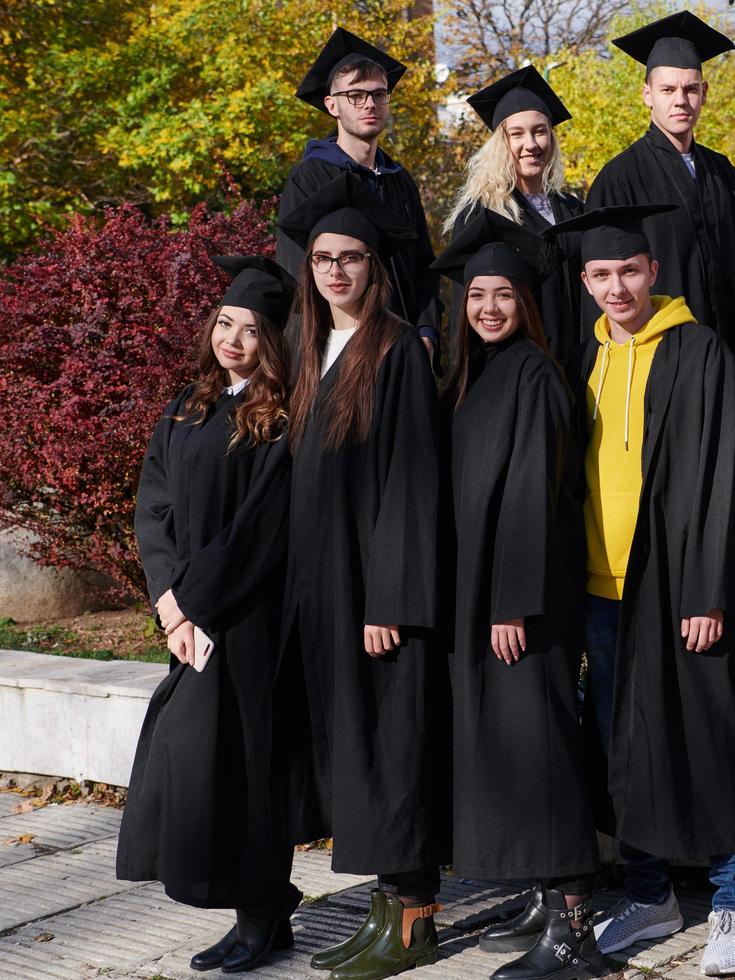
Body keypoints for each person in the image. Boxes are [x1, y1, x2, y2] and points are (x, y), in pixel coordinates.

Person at [544, 205, 735, 977]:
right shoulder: (583, 358)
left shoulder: (698, 351)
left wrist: (707, 590)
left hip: (678, 587)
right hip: (603, 592)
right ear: (586, 280)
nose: (615, 287)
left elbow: (720, 473)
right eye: (600, 275)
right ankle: (650, 892)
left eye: (628, 271)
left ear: (653, 272)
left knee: (707, 734)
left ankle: (733, 899)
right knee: (621, 748)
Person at [274, 173, 446, 980]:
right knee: (355, 751)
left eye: (350, 258)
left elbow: (412, 486)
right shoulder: (311, 348)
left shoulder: (398, 348)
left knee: (390, 748)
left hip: (376, 595)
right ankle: (383, 911)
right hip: (325, 589)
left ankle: (414, 920)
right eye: (322, 259)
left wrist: (393, 598)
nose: (336, 272)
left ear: (376, 267)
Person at [430, 211, 607, 980]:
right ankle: (544, 894)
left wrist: (513, 602)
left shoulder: (533, 372)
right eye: (477, 296)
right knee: (512, 748)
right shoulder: (474, 376)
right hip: (482, 596)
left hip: (522, 599)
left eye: (504, 294)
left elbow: (534, 491)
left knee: (541, 752)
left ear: (526, 302)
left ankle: (575, 930)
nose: (489, 308)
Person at [118, 256, 298, 974]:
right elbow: (151, 505)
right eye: (225, 323)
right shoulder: (190, 403)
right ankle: (257, 909)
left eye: (251, 330)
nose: (233, 339)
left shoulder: (280, 416)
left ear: (272, 341)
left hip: (249, 620)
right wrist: (169, 605)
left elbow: (259, 531)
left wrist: (192, 605)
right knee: (200, 764)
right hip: (189, 619)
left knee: (251, 768)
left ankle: (262, 914)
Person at [585, 11, 735, 348]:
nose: (680, 100)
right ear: (647, 94)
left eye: (690, 89)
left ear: (704, 92)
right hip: (659, 350)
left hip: (729, 345)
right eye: (668, 89)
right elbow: (604, 285)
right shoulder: (619, 178)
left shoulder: (722, 171)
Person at [278, 28, 441, 362]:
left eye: (379, 95)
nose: (369, 103)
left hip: (402, 345)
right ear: (332, 105)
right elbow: (298, 269)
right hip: (337, 350)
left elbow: (423, 264)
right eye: (355, 95)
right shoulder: (311, 177)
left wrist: (426, 332)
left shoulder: (399, 180)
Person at [444, 65, 586, 374]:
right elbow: (465, 310)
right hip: (518, 373)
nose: (531, 144)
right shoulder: (482, 214)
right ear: (500, 143)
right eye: (516, 134)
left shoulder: (573, 210)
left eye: (539, 131)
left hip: (579, 365)